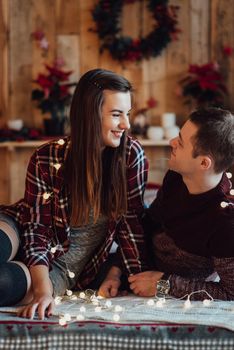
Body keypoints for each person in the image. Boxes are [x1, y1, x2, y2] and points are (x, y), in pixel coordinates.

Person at [0, 68, 148, 318]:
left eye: (127, 114)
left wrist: (44, 290)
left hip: (59, 269)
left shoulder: (130, 156)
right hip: (19, 224)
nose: (126, 124)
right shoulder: (47, 157)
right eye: (116, 114)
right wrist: (42, 291)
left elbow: (131, 226)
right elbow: (37, 228)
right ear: (90, 115)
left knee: (3, 282)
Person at [129, 107, 234, 300]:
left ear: (204, 163)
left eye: (181, 143)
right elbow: (148, 223)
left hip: (168, 292)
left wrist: (165, 284)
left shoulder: (225, 221)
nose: (171, 142)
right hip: (138, 266)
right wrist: (118, 268)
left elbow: (230, 292)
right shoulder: (176, 177)